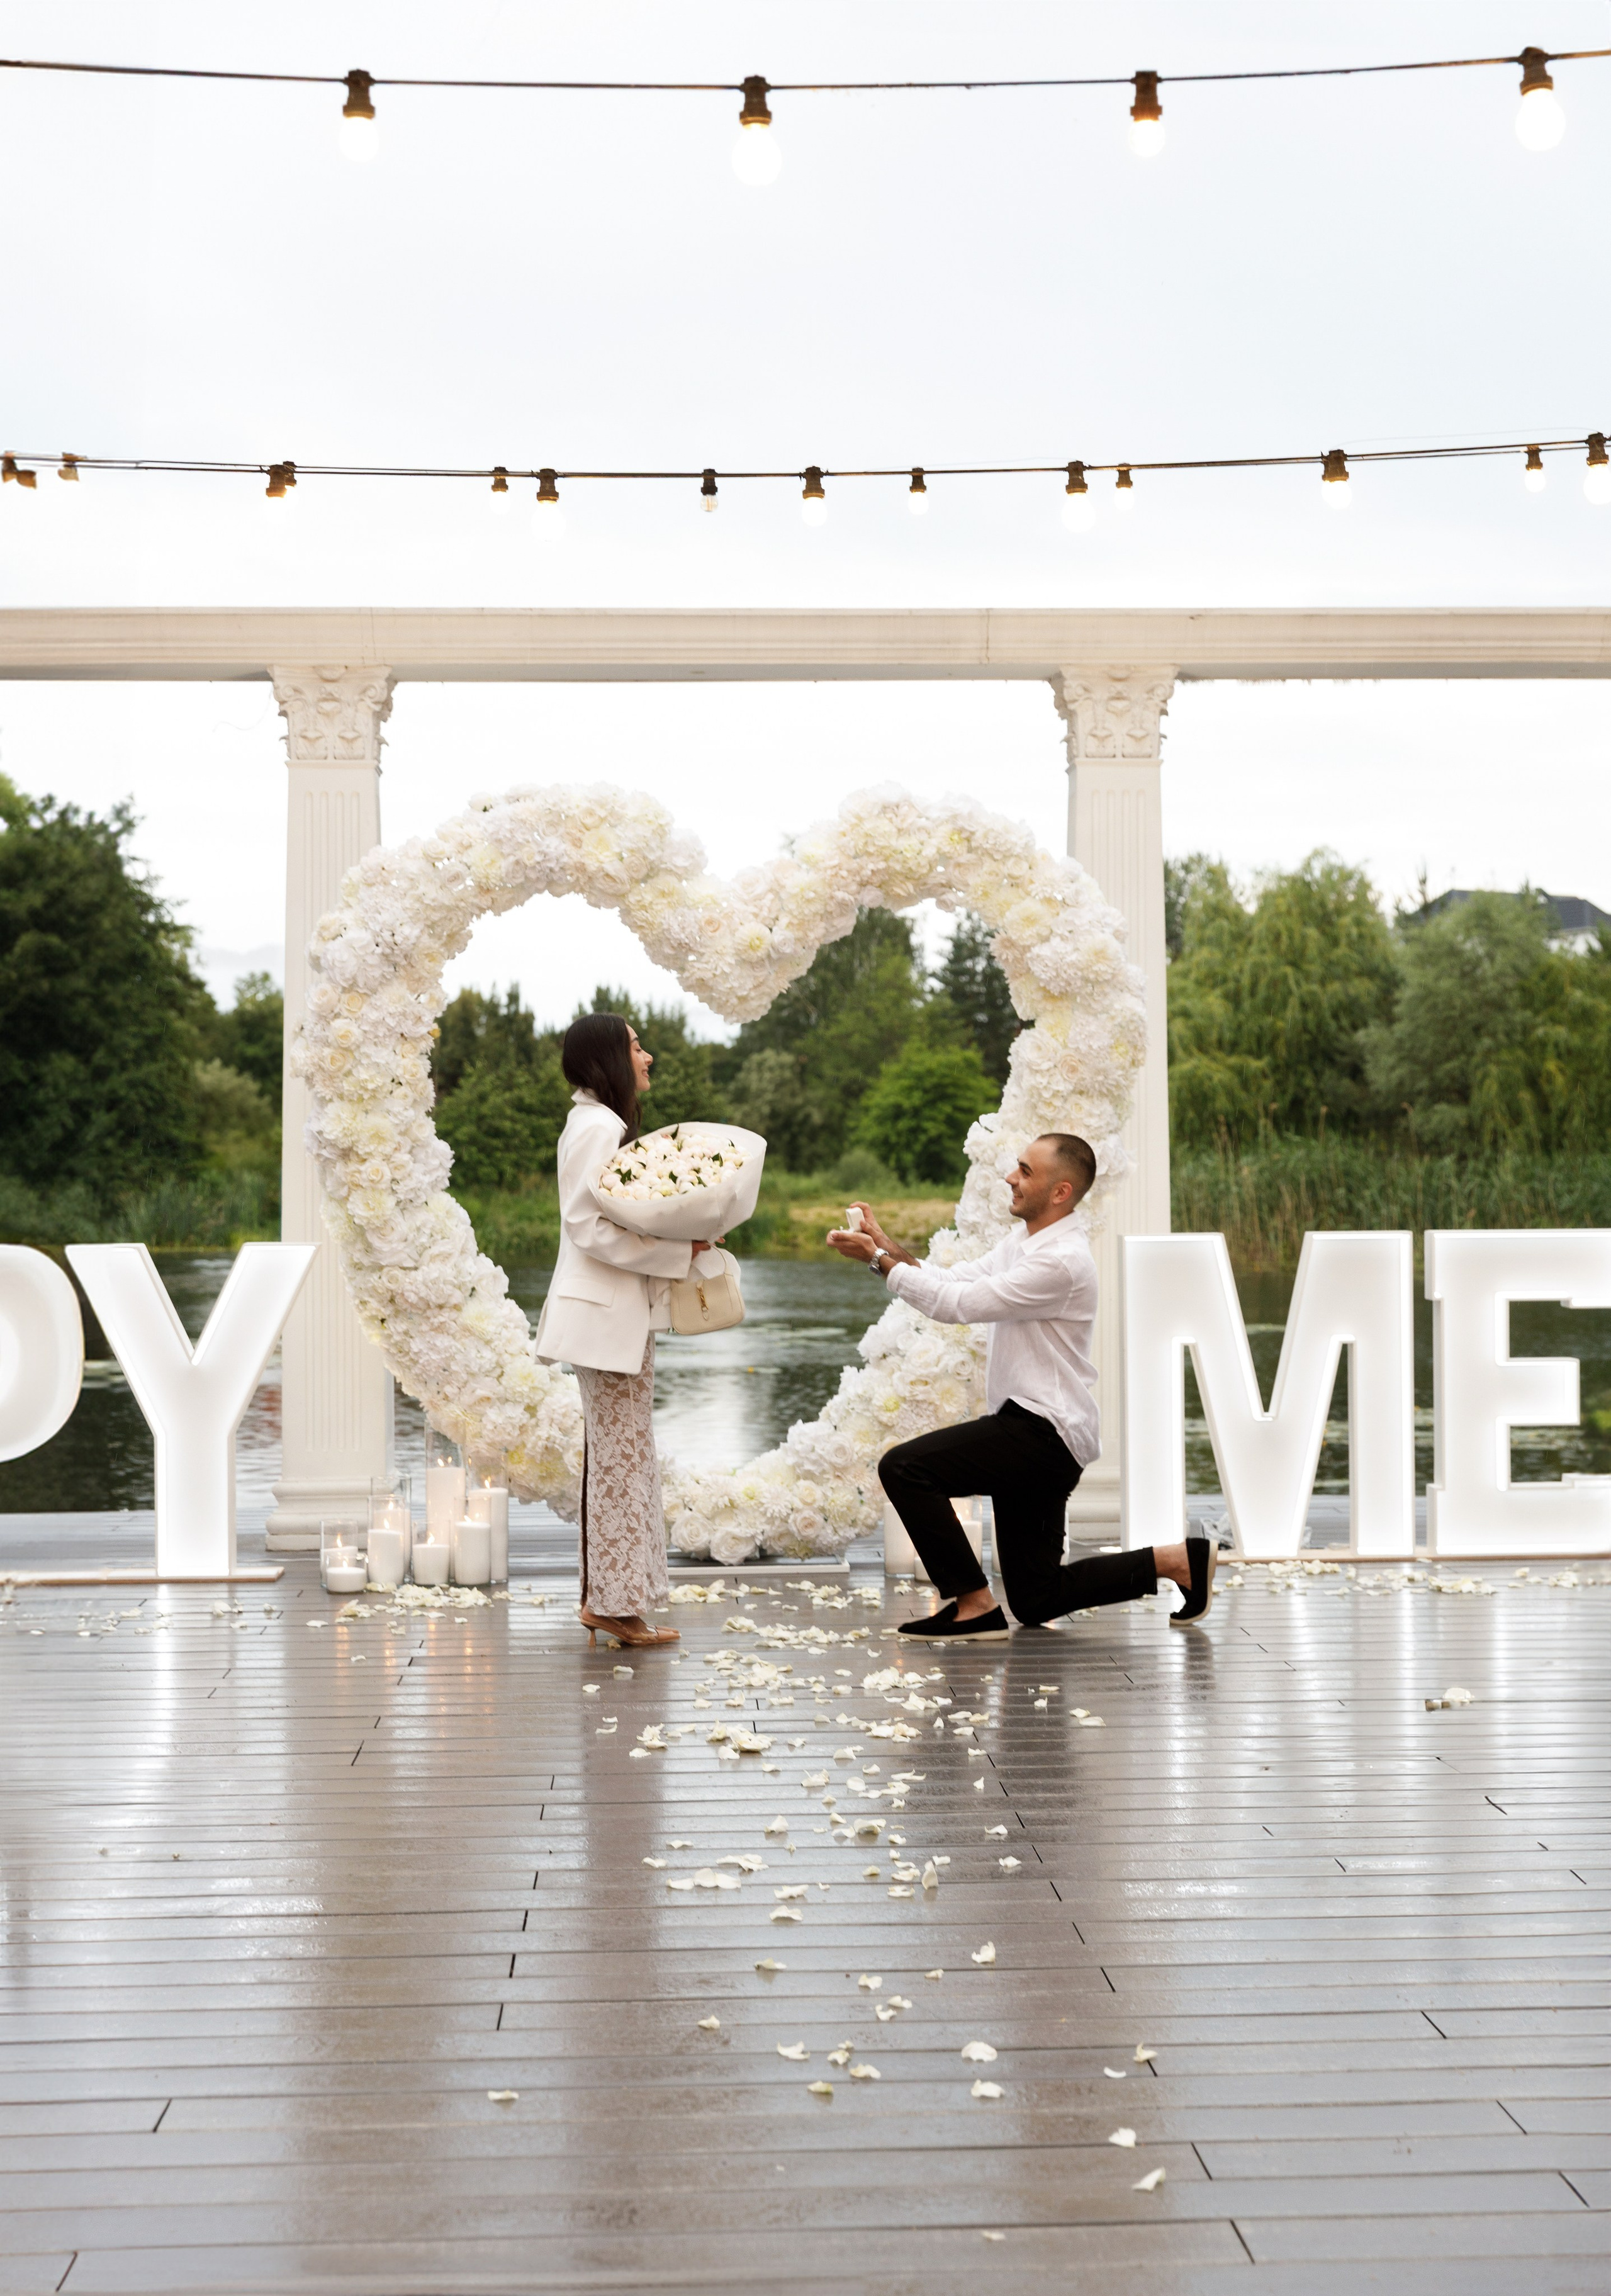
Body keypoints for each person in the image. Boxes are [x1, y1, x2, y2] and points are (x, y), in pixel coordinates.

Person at [827, 1133, 1215, 1638]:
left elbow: (959, 1307)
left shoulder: (1060, 1263)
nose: (1011, 1177)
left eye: (1026, 1171)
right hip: (1039, 1431)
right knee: (1037, 1598)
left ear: (1061, 1192)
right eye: (1018, 1167)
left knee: (905, 1468)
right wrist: (884, 1247)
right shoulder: (1030, 1244)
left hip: (1043, 1431)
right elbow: (954, 1280)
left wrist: (879, 1264)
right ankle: (1178, 1561)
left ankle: (975, 1606)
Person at [534, 1012, 716, 1650]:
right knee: (618, 1460)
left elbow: (618, 1217)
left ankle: (613, 1600)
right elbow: (587, 1226)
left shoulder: (597, 1122)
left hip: (617, 1318)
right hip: (603, 1319)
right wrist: (676, 1251)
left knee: (623, 1458)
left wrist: (680, 1228)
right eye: (637, 1046)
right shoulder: (598, 1126)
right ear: (609, 1057)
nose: (648, 1056)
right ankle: (612, 1606)